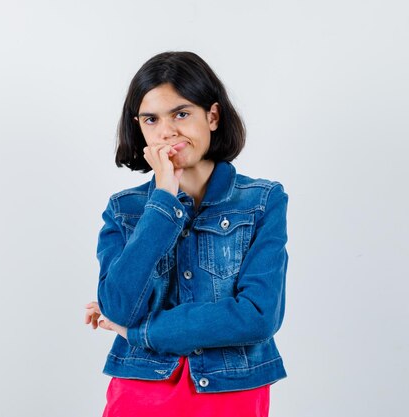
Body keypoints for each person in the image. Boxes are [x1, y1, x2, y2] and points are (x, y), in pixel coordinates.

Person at [84, 51, 289, 417]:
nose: (167, 131)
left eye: (181, 113)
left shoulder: (262, 201)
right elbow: (118, 307)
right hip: (140, 393)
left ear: (212, 116)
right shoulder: (124, 210)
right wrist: (162, 200)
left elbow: (258, 316)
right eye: (151, 119)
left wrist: (141, 333)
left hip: (231, 392)